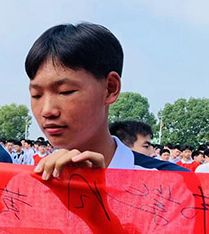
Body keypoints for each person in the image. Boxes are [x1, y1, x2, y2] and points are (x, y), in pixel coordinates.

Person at [24, 22, 187, 179]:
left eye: (65, 92)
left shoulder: (175, 184)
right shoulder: (25, 184)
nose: (47, 111)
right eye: (36, 95)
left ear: (110, 88)